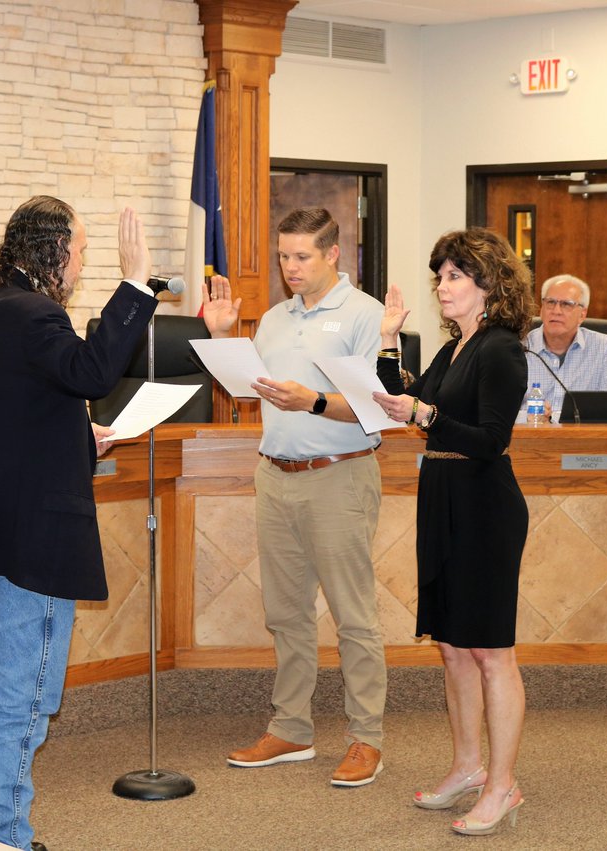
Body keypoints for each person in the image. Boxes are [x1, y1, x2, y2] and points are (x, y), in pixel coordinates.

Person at [0, 197, 159, 851]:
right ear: (56, 249)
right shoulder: (36, 313)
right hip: (31, 537)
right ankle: (3, 834)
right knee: (22, 698)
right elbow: (93, 370)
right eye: (84, 252)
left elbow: (13, 410)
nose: (84, 264)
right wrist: (136, 282)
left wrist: (73, 435)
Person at [205, 207, 388, 788]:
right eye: (284, 256)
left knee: (353, 617)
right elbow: (247, 394)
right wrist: (221, 338)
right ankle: (292, 729)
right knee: (285, 615)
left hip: (339, 475)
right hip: (274, 476)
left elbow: (376, 409)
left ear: (334, 254)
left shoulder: (366, 316)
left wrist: (312, 400)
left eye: (302, 256)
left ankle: (366, 739)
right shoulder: (275, 319)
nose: (290, 268)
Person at [372, 227, 534, 836]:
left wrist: (426, 414)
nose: (441, 287)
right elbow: (406, 399)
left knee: (492, 652)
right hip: (442, 498)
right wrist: (388, 343)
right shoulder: (456, 347)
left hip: (485, 507)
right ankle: (467, 766)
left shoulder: (500, 349)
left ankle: (502, 785)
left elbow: (492, 439)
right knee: (452, 644)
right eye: (439, 276)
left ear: (488, 286)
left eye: (453, 277)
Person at [523, 273, 607, 421]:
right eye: (550, 302)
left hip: (583, 441)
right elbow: (499, 410)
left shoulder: (603, 347)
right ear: (541, 309)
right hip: (530, 439)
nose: (556, 311)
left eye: (566, 304)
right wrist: (527, 417)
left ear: (583, 314)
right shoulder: (520, 347)